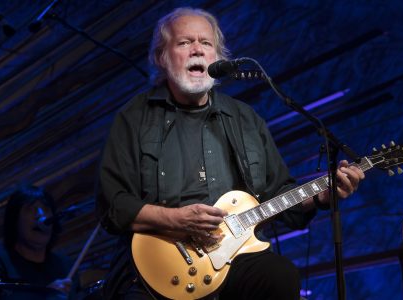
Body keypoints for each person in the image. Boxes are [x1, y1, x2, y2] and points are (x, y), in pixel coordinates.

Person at [96, 7, 365, 300]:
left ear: (218, 58)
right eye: (184, 42)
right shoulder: (135, 117)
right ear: (162, 57)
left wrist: (320, 197)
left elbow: (279, 192)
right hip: (154, 265)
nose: (197, 50)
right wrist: (176, 219)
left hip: (233, 259)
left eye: (206, 43)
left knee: (279, 274)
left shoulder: (244, 119)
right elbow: (113, 205)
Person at [0, 185, 78, 300]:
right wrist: (44, 296)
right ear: (14, 220)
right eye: (30, 209)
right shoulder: (1, 263)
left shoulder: (66, 266)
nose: (41, 215)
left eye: (46, 209)